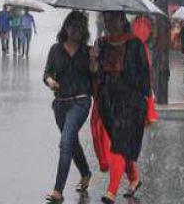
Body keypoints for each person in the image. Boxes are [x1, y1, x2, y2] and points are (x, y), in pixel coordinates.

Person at [92, 11, 150, 204]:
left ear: (122, 20)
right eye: (106, 20)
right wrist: (94, 61)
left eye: (113, 20)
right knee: (121, 143)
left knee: (117, 143)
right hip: (108, 102)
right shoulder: (101, 44)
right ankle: (133, 177)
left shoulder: (135, 44)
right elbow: (96, 74)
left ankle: (112, 190)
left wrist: (143, 104)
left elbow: (144, 77)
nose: (109, 24)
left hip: (130, 103)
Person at [42, 11, 93, 203]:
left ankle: (58, 190)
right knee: (71, 141)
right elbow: (46, 73)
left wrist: (95, 60)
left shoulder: (87, 52)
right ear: (66, 27)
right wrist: (50, 81)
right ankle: (86, 172)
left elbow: (94, 76)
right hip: (60, 104)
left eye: (80, 28)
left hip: (80, 101)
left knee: (65, 143)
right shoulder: (55, 49)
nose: (76, 31)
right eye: (73, 26)